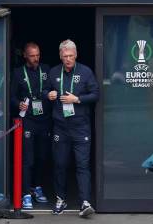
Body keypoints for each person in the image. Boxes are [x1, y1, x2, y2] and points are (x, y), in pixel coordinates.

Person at [46, 40, 99, 217]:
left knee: (82, 165)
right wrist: (49, 94)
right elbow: (45, 91)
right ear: (60, 56)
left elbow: (95, 94)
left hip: (80, 127)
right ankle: (61, 199)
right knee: (60, 164)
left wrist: (77, 99)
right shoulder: (54, 72)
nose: (68, 59)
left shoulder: (85, 72)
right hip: (60, 127)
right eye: (65, 56)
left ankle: (85, 202)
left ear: (76, 55)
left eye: (71, 56)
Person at [10, 42, 51, 209]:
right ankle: (25, 192)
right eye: (33, 55)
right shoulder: (18, 73)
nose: (36, 58)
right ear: (25, 56)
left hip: (44, 119)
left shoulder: (47, 70)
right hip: (27, 120)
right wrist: (18, 104)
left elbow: (52, 88)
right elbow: (11, 96)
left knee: (42, 157)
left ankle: (37, 187)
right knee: (28, 159)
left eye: (38, 55)